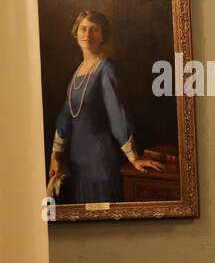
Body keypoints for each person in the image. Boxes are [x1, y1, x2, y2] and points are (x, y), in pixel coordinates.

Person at [47, 10, 162, 203]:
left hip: (102, 160)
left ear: (103, 35)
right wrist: (55, 155)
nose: (87, 34)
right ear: (76, 33)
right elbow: (65, 116)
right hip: (78, 161)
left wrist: (133, 158)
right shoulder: (77, 72)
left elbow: (117, 114)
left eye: (94, 30)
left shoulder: (106, 69)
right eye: (83, 29)